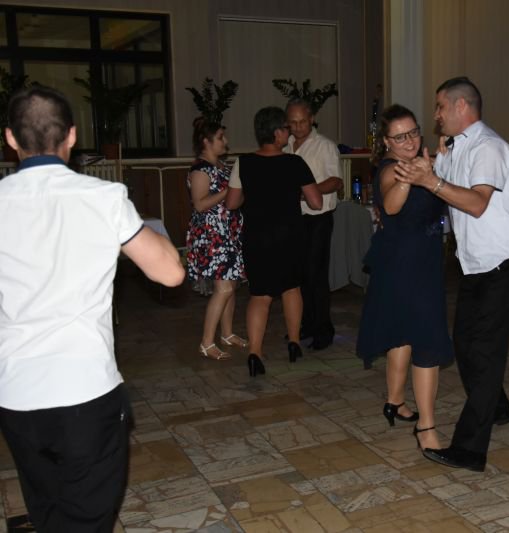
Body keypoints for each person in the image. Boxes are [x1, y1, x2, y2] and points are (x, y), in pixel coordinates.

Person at [0, 85, 184, 531]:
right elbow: (171, 272)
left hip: (16, 393)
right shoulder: (102, 197)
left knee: (47, 509)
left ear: (10, 138)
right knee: (87, 519)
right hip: (84, 389)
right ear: (72, 136)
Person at [395, 77, 509, 472]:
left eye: (440, 106)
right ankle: (497, 406)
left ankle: (470, 450)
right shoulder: (457, 146)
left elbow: (475, 203)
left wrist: (431, 178)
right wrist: (429, 168)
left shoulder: (489, 146)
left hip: (504, 261)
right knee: (466, 345)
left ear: (461, 106)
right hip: (476, 263)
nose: (436, 114)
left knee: (484, 352)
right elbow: (442, 186)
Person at [356, 104, 454, 451]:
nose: (409, 141)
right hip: (405, 267)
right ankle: (426, 428)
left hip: (419, 262)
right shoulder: (392, 169)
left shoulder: (423, 162)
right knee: (426, 340)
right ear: (386, 142)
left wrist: (436, 166)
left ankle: (395, 402)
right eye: (400, 137)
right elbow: (392, 205)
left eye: (413, 132)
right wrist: (411, 177)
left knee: (402, 334)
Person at [226, 107, 322, 376]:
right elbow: (316, 202)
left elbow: (232, 203)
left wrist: (254, 195)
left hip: (257, 237)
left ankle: (255, 353)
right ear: (278, 132)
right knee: (291, 289)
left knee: (260, 295)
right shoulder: (295, 163)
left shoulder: (243, 162)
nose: (288, 133)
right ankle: (294, 343)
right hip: (290, 236)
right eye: (286, 128)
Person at [186, 117, 246, 361]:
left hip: (229, 232)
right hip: (211, 235)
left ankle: (227, 334)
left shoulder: (223, 166)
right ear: (206, 141)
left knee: (231, 285)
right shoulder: (201, 169)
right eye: (220, 137)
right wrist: (228, 191)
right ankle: (206, 342)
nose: (226, 141)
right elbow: (200, 204)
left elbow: (235, 198)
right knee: (223, 288)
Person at [284, 98, 342, 350]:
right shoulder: (284, 145)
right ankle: (305, 324)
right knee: (298, 274)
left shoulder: (325, 146)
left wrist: (308, 192)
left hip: (318, 218)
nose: (298, 127)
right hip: (293, 218)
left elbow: (336, 181)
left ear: (312, 119)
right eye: (293, 122)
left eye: (302, 122)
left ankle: (323, 330)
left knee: (315, 274)